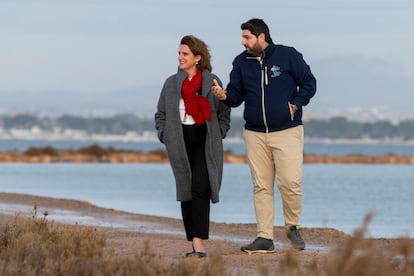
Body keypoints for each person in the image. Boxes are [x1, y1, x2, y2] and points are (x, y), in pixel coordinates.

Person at [212, 18, 316, 252]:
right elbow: (236, 97)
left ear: (261, 37)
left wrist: (296, 104)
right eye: (242, 37)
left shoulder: (287, 55)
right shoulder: (241, 62)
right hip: (255, 133)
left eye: (247, 37)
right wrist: (223, 96)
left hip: (287, 131)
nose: (243, 42)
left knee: (290, 183)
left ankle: (292, 227)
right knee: (261, 186)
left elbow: (309, 82)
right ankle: (264, 238)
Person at [154, 35, 231, 258]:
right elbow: (160, 114)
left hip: (205, 139)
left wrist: (219, 133)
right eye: (179, 53)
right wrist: (164, 135)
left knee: (201, 188)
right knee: (186, 189)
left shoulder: (212, 81)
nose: (180, 57)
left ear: (197, 58)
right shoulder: (170, 84)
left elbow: (224, 111)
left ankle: (198, 242)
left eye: (185, 54)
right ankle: (191, 241)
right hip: (179, 139)